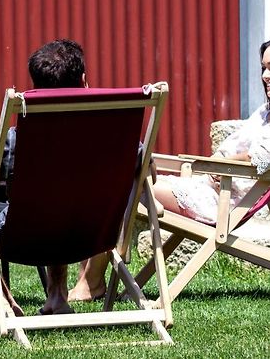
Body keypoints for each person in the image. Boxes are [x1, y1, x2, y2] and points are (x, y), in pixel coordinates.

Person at [68, 40, 270, 302]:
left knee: (117, 188)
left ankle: (91, 283)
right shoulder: (264, 113)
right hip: (207, 187)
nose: (265, 75)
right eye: (263, 68)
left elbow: (261, 159)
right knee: (112, 187)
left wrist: (224, 163)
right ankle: (89, 281)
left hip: (220, 202)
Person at [0, 38, 88, 315]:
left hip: (23, 234)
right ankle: (57, 296)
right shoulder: (111, 136)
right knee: (61, 203)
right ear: (84, 80)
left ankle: (4, 300)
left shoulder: (16, 139)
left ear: (35, 88)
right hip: (89, 234)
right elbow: (147, 172)